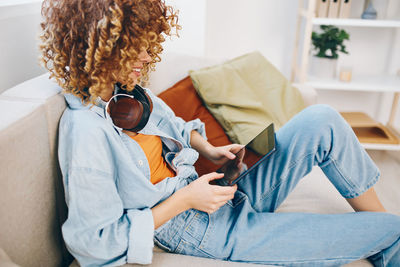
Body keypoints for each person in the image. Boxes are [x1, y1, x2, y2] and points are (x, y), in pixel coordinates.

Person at [40, 0, 400, 266]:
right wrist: (185, 200)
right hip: (198, 228)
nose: (149, 57)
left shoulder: (131, 95)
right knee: (391, 229)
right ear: (99, 46)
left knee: (321, 118)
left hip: (217, 191)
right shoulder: (85, 132)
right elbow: (95, 243)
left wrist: (210, 151)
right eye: (138, 47)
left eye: (150, 45)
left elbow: (178, 128)